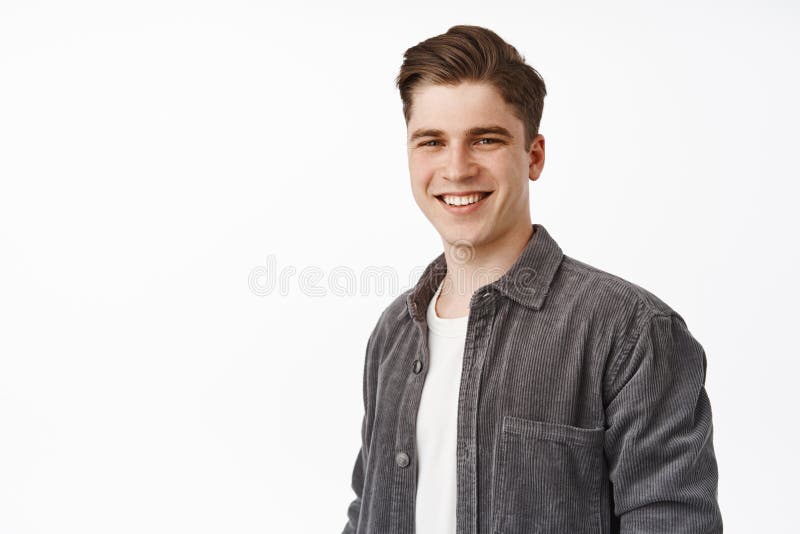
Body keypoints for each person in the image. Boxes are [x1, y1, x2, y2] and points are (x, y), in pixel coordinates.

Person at [341, 24, 722, 534]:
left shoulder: (629, 331)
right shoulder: (394, 332)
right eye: (431, 141)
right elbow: (367, 508)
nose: (456, 168)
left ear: (534, 155)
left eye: (485, 139)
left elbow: (671, 522)